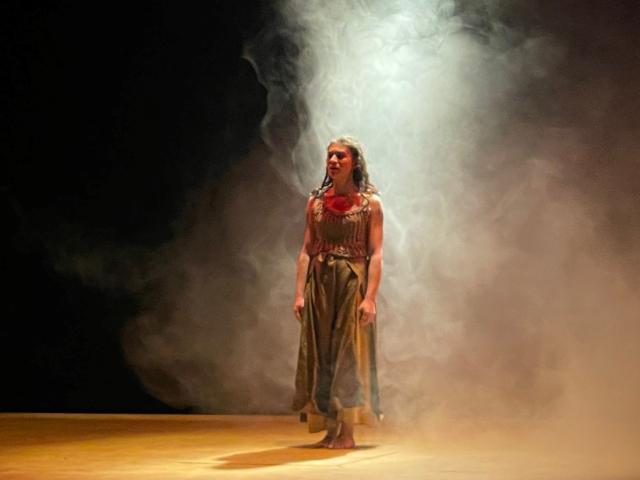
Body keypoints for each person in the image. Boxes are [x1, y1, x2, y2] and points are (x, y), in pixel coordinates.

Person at [292, 136, 383, 449]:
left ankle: (347, 431)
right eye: (330, 155)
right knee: (323, 351)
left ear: (354, 162)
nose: (333, 161)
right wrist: (300, 293)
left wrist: (370, 298)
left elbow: (376, 253)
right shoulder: (316, 201)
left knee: (348, 352)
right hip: (320, 283)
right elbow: (306, 250)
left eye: (340, 156)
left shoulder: (370, 204)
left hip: (350, 281)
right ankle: (330, 428)